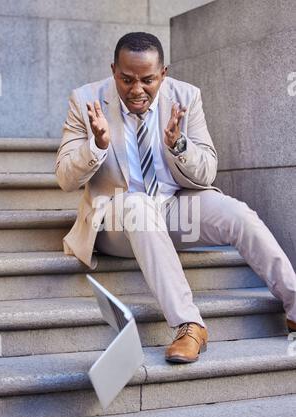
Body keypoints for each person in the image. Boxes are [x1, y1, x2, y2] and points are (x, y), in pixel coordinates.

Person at [56, 32, 296, 363]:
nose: (137, 89)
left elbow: (207, 172)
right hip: (116, 223)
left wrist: (179, 147)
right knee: (138, 205)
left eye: (147, 80)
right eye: (126, 79)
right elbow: (65, 177)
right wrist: (95, 145)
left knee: (236, 213)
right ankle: (189, 324)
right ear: (114, 70)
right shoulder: (86, 101)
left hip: (171, 208)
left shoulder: (186, 97)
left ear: (163, 73)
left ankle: (295, 305)